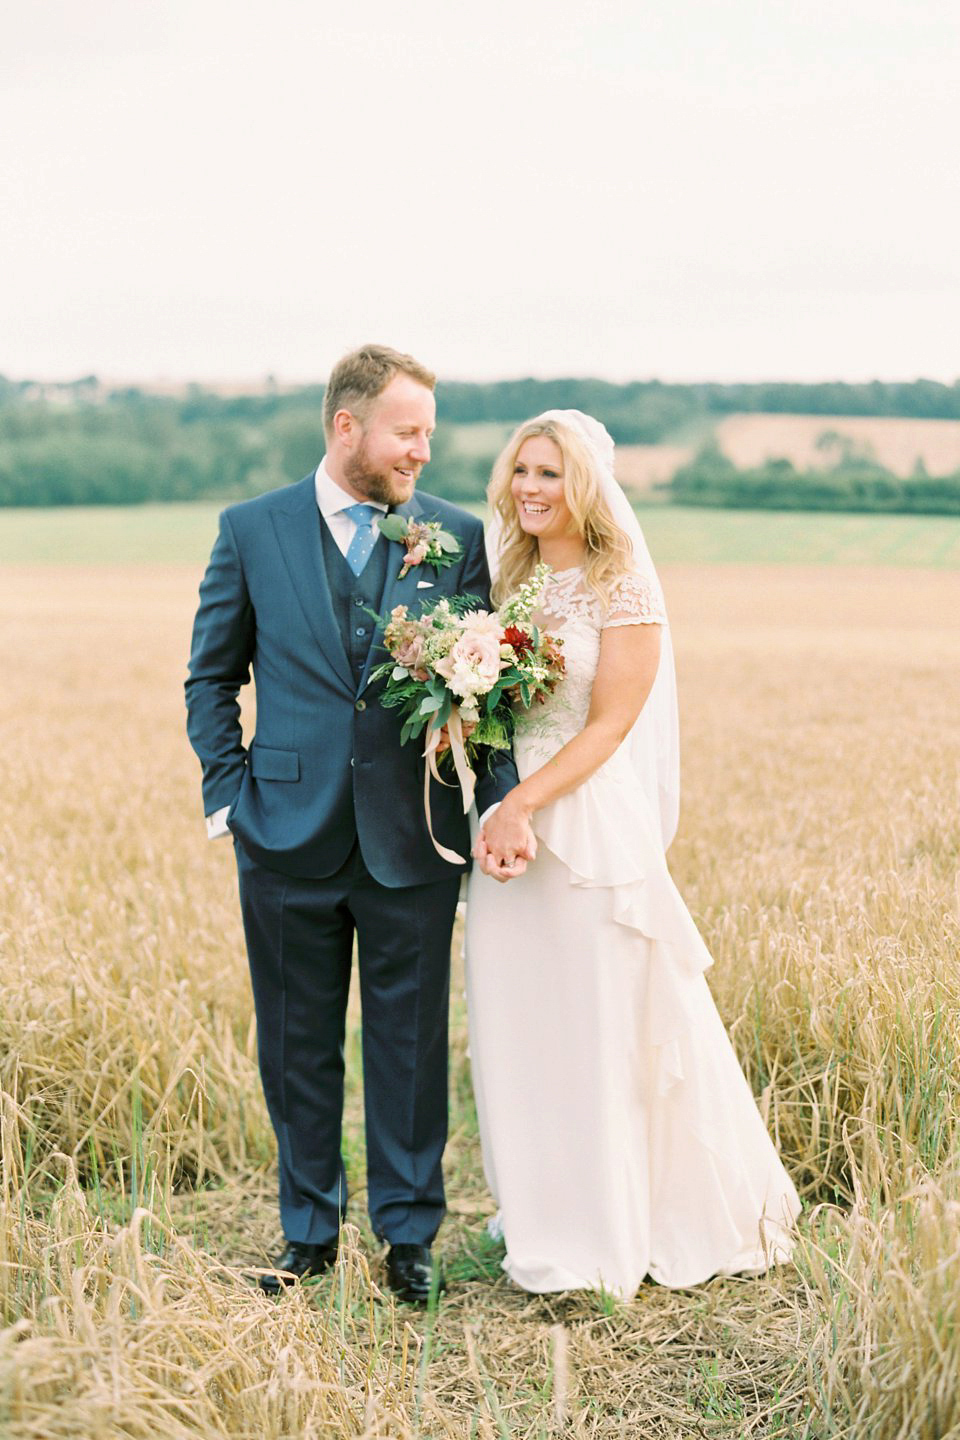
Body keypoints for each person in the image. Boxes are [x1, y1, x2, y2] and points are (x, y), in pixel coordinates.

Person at [185, 344, 520, 1302]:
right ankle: (309, 1233)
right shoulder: (251, 530)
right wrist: (230, 798)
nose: (423, 450)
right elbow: (211, 677)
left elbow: (485, 694)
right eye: (407, 431)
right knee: (295, 1041)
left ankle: (408, 1237)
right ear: (348, 428)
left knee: (410, 1044)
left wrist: (491, 800)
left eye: (428, 433)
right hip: (282, 833)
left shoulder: (454, 537)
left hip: (413, 835)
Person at [467, 410, 801, 1295]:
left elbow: (612, 724)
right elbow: (497, 710)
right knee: (523, 1024)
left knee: (600, 1024)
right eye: (522, 472)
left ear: (586, 486)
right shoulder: (512, 580)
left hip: (583, 833)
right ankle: (544, 1212)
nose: (531, 489)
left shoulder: (626, 588)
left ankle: (612, 1225)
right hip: (508, 836)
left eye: (550, 473)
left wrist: (522, 805)